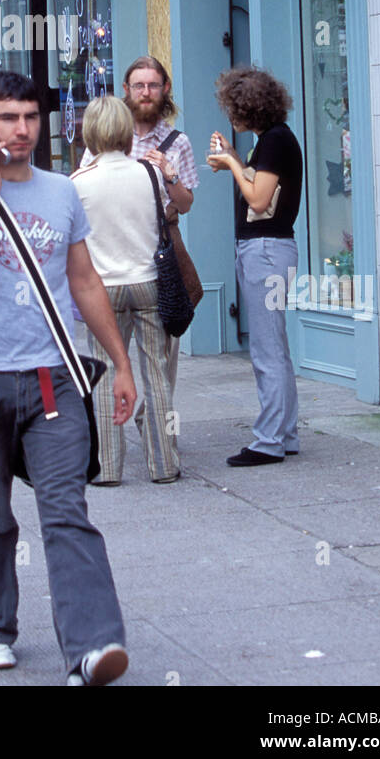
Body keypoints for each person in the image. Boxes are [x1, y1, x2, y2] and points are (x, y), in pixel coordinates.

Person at [0, 70, 137, 687]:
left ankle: (94, 647)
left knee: (68, 510)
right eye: (9, 119)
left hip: (54, 379)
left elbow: (84, 281)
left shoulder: (62, 192)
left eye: (31, 118)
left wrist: (121, 364)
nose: (22, 130)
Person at [72, 95, 179, 485]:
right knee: (157, 375)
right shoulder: (148, 174)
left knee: (105, 372)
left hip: (102, 288)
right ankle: (164, 463)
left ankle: (107, 466)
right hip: (150, 280)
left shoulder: (78, 183)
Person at [82, 55, 200, 395]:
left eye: (152, 85)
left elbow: (187, 204)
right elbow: (85, 183)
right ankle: (113, 417)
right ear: (126, 90)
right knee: (108, 351)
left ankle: (155, 421)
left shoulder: (179, 142)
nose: (146, 92)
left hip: (162, 251)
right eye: (139, 86)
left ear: (165, 90)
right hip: (111, 252)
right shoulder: (104, 137)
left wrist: (170, 174)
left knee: (163, 357)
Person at [208, 65, 303, 466]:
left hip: (265, 249)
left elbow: (259, 202)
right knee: (275, 347)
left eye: (233, 109)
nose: (231, 117)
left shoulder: (274, 142)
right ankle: (285, 434)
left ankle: (269, 441)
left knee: (267, 350)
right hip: (273, 248)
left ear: (248, 109)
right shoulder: (274, 140)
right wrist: (232, 157)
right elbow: (264, 189)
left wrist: (231, 164)